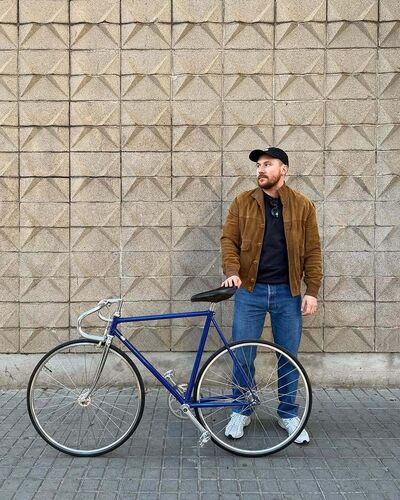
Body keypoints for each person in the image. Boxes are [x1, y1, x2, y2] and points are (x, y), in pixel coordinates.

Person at [220, 147, 322, 444]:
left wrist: (312, 291)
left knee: (288, 357)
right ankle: (241, 409)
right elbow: (229, 240)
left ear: (283, 169)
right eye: (258, 165)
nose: (260, 170)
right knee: (243, 354)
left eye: (267, 164)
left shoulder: (303, 205)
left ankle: (288, 413)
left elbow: (313, 250)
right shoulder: (243, 201)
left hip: (287, 293)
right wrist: (232, 270)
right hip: (249, 290)